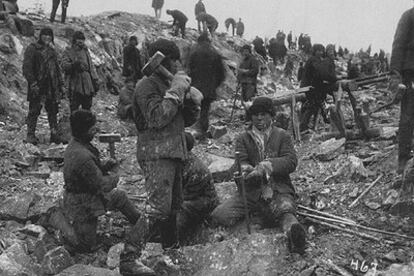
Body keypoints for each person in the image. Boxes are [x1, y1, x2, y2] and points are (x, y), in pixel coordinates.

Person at [127, 38, 201, 274]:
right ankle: (128, 257)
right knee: (158, 207)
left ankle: (171, 251)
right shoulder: (146, 86)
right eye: (175, 60)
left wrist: (192, 104)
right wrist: (176, 91)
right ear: (165, 60)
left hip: (174, 151)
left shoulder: (171, 84)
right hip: (156, 153)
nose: (179, 65)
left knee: (172, 207)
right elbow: (157, 118)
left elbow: (184, 121)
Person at [62, 110, 154, 275]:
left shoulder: (77, 144)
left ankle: (142, 225)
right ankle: (62, 224)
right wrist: (114, 176)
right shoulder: (82, 155)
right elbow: (102, 185)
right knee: (87, 246)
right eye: (92, 129)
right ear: (83, 131)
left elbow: (89, 173)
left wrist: (103, 165)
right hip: (83, 204)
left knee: (119, 197)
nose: (95, 131)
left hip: (83, 195)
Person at [211, 97, 306, 254]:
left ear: (271, 115)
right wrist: (246, 170)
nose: (259, 118)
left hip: (277, 190)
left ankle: (293, 234)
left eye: (263, 114)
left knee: (285, 211)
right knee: (220, 215)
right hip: (251, 193)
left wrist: (266, 166)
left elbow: (291, 161)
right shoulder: (243, 138)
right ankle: (261, 218)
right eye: (255, 114)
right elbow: (240, 162)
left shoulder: (282, 136)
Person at [22, 27, 64, 145]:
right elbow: (27, 68)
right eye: (44, 35)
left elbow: (57, 70)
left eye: (49, 35)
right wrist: (33, 83)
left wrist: (61, 85)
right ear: (40, 36)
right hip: (38, 85)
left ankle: (54, 134)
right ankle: (30, 135)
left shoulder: (52, 51)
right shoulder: (32, 49)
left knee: (53, 111)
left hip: (51, 87)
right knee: (34, 110)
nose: (47, 37)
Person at [178, 132, 219, 241]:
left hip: (205, 201)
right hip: (188, 196)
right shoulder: (180, 161)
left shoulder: (196, 168)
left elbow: (186, 196)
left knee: (180, 209)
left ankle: (177, 239)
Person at [188, 32, 226, 139]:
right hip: (209, 87)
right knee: (205, 109)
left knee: (193, 107)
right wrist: (215, 85)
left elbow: (189, 69)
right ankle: (202, 132)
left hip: (196, 86)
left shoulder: (195, 52)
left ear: (199, 41)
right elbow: (222, 73)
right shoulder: (215, 53)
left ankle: (191, 131)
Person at [390, 5, 414, 174]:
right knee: (408, 116)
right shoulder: (409, 16)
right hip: (410, 74)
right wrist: (396, 75)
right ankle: (403, 160)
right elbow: (398, 46)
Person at [299, 44, 336, 131]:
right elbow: (319, 72)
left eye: (322, 51)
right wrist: (332, 78)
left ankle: (310, 124)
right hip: (309, 87)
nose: (320, 52)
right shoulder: (313, 60)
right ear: (314, 51)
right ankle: (303, 126)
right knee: (312, 106)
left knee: (313, 105)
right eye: (318, 51)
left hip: (309, 86)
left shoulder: (316, 60)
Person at [62, 31, 99, 112]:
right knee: (74, 108)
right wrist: (74, 65)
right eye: (79, 41)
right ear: (74, 41)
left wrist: (95, 81)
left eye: (82, 41)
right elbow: (64, 66)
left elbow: (91, 67)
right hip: (75, 84)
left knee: (87, 108)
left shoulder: (86, 51)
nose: (81, 43)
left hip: (87, 84)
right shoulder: (68, 51)